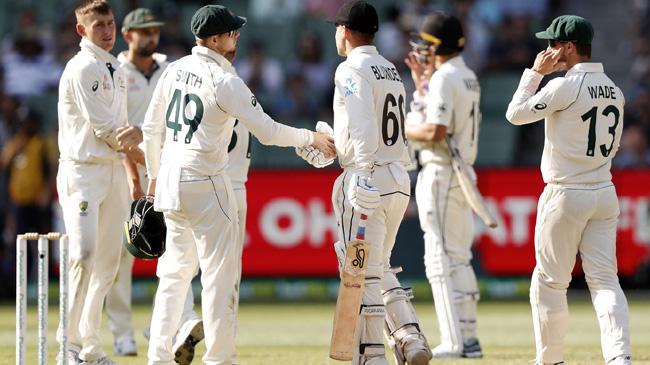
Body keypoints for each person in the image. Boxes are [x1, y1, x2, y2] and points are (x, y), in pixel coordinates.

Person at [141, 5, 335, 364]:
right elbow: (269, 131)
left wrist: (153, 180)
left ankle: (158, 358)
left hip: (170, 178)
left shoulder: (175, 70)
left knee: (173, 275)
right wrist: (310, 137)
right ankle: (220, 359)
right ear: (214, 39)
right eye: (232, 32)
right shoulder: (224, 80)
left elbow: (151, 129)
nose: (237, 36)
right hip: (206, 180)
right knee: (218, 277)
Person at [300, 1, 432, 364]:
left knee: (359, 267)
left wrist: (360, 170)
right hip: (397, 176)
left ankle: (372, 355)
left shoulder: (349, 69)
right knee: (378, 264)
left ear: (344, 30)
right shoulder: (388, 68)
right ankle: (409, 336)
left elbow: (362, 128)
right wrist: (333, 144)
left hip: (367, 176)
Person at [505, 15, 632, 365]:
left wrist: (534, 73)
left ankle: (550, 360)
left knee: (549, 281)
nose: (547, 50)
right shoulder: (615, 89)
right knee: (606, 281)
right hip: (604, 191)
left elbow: (514, 114)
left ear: (569, 47)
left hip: (565, 192)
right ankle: (619, 357)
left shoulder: (564, 86)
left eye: (552, 44)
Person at [57, 1, 142, 364]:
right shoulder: (82, 68)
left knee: (108, 263)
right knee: (84, 255)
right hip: (83, 171)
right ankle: (67, 344)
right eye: (98, 26)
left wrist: (132, 170)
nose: (107, 31)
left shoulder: (115, 68)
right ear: (82, 31)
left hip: (112, 171)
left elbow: (120, 128)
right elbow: (108, 130)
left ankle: (90, 346)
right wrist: (149, 152)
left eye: (110, 24)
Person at [403, 12, 483, 359]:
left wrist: (403, 129)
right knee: (460, 258)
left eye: (425, 43)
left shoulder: (445, 78)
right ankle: (469, 339)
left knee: (438, 259)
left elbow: (434, 132)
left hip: (440, 171)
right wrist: (422, 85)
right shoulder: (466, 76)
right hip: (462, 171)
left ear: (436, 46)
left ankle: (453, 342)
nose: (421, 50)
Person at [104, 7, 166, 357]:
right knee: (122, 256)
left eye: (154, 30)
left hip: (166, 168)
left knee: (175, 253)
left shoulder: (169, 68)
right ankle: (122, 332)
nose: (151, 37)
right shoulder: (114, 71)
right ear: (128, 35)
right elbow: (119, 132)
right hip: (126, 173)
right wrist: (134, 181)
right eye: (144, 32)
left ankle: (162, 324)